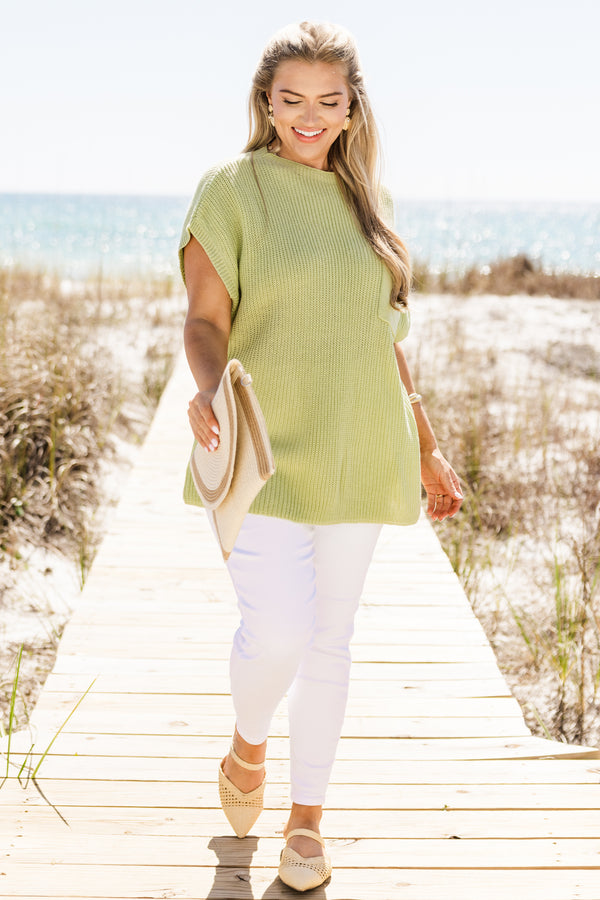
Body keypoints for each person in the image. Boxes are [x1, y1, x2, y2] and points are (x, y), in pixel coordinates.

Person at [179, 20, 463, 892]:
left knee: (330, 641)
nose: (309, 116)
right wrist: (210, 389)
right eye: (292, 99)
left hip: (362, 444)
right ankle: (247, 742)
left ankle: (307, 821)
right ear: (266, 102)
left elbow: (385, 340)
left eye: (328, 101)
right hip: (264, 448)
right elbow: (205, 320)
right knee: (278, 632)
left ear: (350, 109)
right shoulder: (231, 190)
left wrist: (427, 446)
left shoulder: (367, 203)